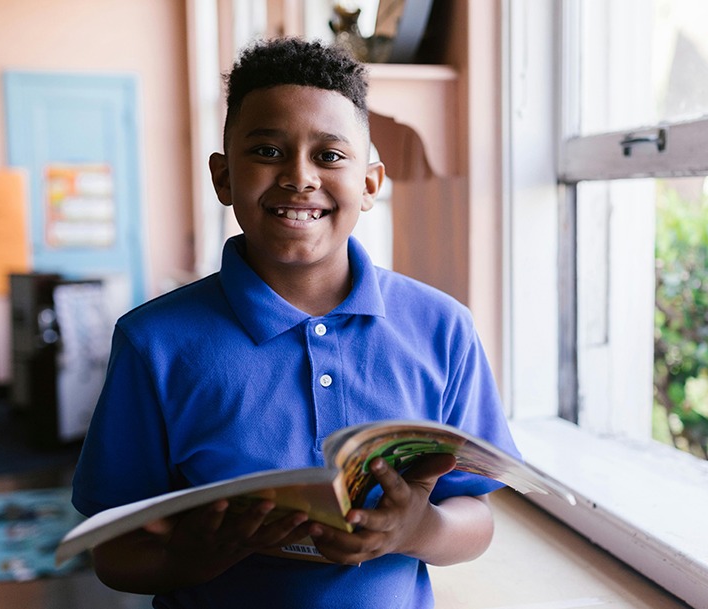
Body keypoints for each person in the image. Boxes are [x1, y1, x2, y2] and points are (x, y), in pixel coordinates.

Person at [71, 37, 520, 608]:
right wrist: (198, 557)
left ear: (370, 183)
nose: (299, 177)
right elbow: (113, 554)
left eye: (330, 156)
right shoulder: (154, 344)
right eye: (266, 150)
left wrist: (415, 531)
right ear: (224, 177)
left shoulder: (443, 329)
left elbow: (473, 515)